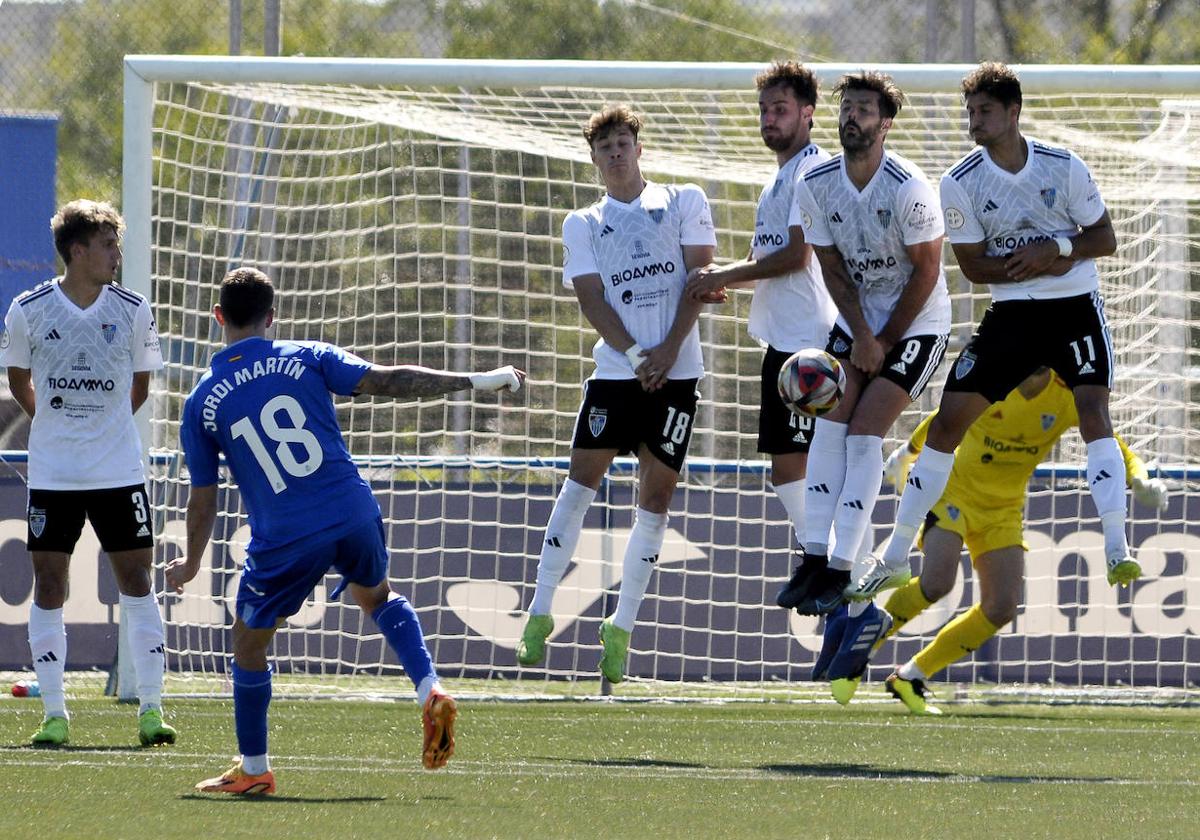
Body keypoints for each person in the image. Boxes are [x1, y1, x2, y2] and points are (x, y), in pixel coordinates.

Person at [167, 266, 523, 794]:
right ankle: (428, 687)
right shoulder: (306, 355)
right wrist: (473, 381)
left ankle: (255, 767)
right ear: (272, 318)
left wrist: (193, 562)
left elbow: (203, 499)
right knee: (376, 595)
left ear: (218, 317)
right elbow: (388, 380)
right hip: (353, 507)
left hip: (285, 533)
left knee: (247, 643)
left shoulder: (202, 401)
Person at [865, 62, 1134, 600]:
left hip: (1074, 307)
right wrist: (1026, 263)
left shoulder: (1063, 167)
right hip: (1011, 315)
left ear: (1013, 112)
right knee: (946, 426)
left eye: (984, 111)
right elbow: (970, 265)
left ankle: (1116, 548)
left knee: (1093, 412)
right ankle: (894, 556)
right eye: (970, 112)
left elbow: (1104, 238)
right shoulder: (961, 181)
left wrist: (1057, 250)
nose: (974, 121)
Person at [514, 105, 717, 684]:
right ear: (594, 158)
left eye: (623, 141)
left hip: (677, 377)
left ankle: (620, 628)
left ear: (639, 146)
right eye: (604, 146)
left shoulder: (683, 202)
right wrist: (634, 356)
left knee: (654, 504)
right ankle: (539, 612)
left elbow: (701, 283)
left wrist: (668, 352)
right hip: (615, 375)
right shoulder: (582, 222)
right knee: (578, 488)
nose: (615, 152)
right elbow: (591, 300)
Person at [774, 71, 951, 688]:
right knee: (828, 423)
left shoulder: (909, 187)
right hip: (858, 321)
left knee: (864, 430)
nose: (853, 116)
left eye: (865, 109)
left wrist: (886, 339)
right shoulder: (816, 182)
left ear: (886, 123)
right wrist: (860, 335)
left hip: (919, 322)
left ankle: (846, 567)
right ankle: (817, 558)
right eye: (847, 107)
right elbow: (830, 268)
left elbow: (928, 271)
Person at [864, 368, 1166, 713]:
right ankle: (865, 642)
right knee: (937, 581)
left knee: (1002, 606)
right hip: (954, 493)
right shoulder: (997, 377)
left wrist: (1141, 479)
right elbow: (943, 417)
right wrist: (907, 452)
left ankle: (910, 676)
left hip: (1003, 510)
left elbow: (1114, 447)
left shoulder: (1066, 396)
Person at [0, 199, 176, 748]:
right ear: (78, 252)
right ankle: (55, 714)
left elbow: (141, 387)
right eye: (107, 245)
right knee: (49, 584)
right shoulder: (29, 309)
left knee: (137, 583)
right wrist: (57, 424)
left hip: (118, 471)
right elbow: (19, 379)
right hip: (54, 474)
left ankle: (151, 709)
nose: (115, 255)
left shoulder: (132, 309)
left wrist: (102, 428)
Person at [683, 61, 836, 573]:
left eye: (781, 110)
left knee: (801, 463)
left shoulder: (813, 171)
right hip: (783, 342)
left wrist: (721, 272)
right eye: (764, 111)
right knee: (789, 464)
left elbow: (797, 256)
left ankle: (831, 558)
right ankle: (826, 556)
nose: (770, 120)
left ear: (808, 114)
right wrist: (720, 280)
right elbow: (767, 267)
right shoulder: (777, 183)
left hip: (812, 343)